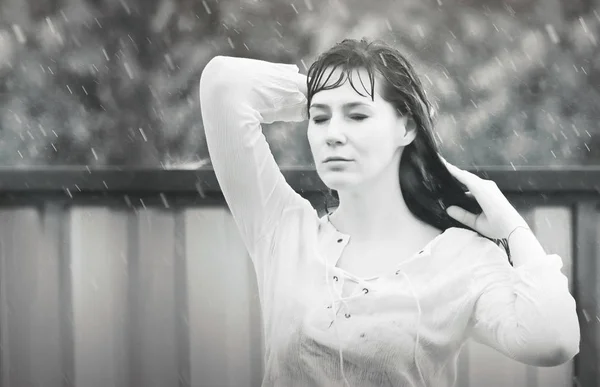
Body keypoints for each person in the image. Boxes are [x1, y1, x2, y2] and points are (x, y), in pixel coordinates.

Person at [198, 38, 580, 387]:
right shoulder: (283, 230)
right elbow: (223, 84)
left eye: (358, 116)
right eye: (320, 118)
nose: (333, 133)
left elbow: (553, 341)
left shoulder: (461, 258)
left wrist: (513, 228)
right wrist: (322, 89)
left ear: (407, 127)